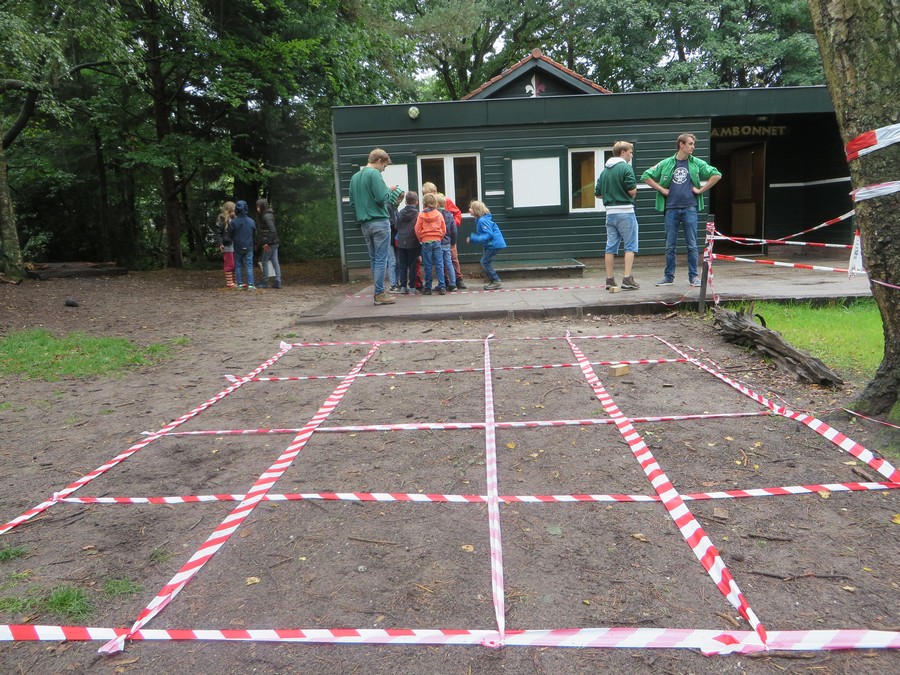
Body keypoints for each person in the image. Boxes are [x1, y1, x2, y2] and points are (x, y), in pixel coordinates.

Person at [641, 132, 722, 287]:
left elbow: (716, 174)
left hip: (690, 208)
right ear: (681, 145)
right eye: (690, 144)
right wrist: (661, 189)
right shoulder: (666, 163)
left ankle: (694, 277)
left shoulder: (696, 163)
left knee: (692, 245)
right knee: (670, 245)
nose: (693, 147)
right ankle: (668, 277)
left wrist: (701, 189)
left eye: (693, 144)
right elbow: (646, 175)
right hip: (671, 209)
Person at [348, 148, 403, 305]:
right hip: (379, 222)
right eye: (384, 166)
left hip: (365, 224)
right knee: (381, 260)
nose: (384, 169)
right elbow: (381, 198)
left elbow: (352, 203)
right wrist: (389, 190)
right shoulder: (374, 174)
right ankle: (379, 294)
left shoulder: (355, 177)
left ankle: (379, 291)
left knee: (374, 259)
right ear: (379, 161)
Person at [595, 141, 640, 291]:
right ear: (623, 152)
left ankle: (609, 279)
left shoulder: (604, 171)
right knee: (630, 246)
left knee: (610, 246)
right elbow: (632, 191)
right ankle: (627, 279)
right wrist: (631, 193)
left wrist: (612, 195)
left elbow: (598, 193)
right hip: (626, 212)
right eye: (630, 152)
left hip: (610, 214)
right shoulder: (626, 168)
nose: (631, 155)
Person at [422, 182, 466, 288]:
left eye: (428, 193)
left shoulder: (445, 201)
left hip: (448, 235)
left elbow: (457, 213)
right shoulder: (429, 205)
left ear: (434, 192)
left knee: (453, 257)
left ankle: (458, 278)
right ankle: (445, 280)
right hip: (437, 236)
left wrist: (452, 225)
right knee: (440, 260)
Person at [466, 200, 506, 290]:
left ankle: (495, 281)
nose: (469, 209)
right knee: (486, 262)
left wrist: (473, 238)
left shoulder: (482, 221)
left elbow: (488, 234)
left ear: (476, 210)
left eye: (471, 208)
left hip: (493, 244)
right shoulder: (481, 220)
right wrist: (474, 239)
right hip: (492, 244)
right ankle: (493, 280)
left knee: (484, 262)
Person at [414, 192, 447, 295]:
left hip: (426, 241)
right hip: (437, 241)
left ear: (424, 203)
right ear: (435, 203)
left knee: (428, 265)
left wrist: (421, 239)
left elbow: (417, 229)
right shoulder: (439, 214)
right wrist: (439, 237)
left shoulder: (421, 215)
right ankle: (442, 286)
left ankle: (428, 287)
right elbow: (444, 228)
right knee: (439, 264)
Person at [395, 191, 420, 294]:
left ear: (405, 202)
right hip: (413, 242)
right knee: (412, 265)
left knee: (403, 265)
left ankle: (403, 286)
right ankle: (412, 287)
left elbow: (396, 226)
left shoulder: (400, 213)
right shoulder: (418, 214)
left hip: (401, 242)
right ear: (416, 202)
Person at [230, 200, 257, 290]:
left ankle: (240, 284)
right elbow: (255, 234)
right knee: (249, 265)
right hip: (249, 245)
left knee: (238, 265)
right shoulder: (251, 221)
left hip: (237, 246)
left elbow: (230, 234)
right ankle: (251, 285)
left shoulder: (233, 222)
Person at [255, 199, 281, 289]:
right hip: (274, 242)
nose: (257, 209)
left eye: (258, 206)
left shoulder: (266, 216)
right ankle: (278, 281)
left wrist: (268, 243)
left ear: (262, 206)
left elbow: (272, 230)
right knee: (275, 261)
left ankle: (264, 282)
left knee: (264, 261)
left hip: (271, 243)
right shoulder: (269, 215)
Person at [436, 194, 457, 291]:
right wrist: (453, 242)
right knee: (449, 263)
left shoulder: (436, 214)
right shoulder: (450, 215)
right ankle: (453, 283)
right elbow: (454, 230)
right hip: (447, 242)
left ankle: (442, 284)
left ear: (436, 204)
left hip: (438, 241)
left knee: (439, 263)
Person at [214, 201, 236, 289]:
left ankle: (236, 282)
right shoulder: (222, 219)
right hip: (227, 245)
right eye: (233, 210)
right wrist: (220, 243)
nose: (234, 212)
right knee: (230, 264)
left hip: (236, 244)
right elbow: (218, 233)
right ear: (228, 210)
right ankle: (229, 282)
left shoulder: (236, 219)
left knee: (236, 264)